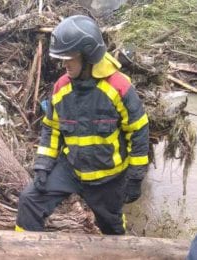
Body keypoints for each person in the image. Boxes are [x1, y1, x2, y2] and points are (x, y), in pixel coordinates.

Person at [16, 15, 149, 235]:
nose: (64, 64)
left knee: (112, 230)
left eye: (70, 58)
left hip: (108, 177)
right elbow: (51, 128)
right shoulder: (62, 88)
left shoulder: (118, 87)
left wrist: (135, 176)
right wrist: (43, 165)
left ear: (88, 56)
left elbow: (138, 130)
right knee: (29, 201)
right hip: (71, 169)